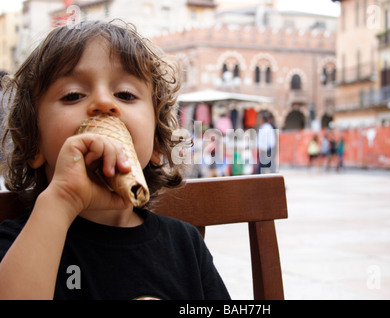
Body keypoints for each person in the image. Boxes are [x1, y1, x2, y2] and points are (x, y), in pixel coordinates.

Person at [0, 20, 230, 300]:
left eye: (125, 94)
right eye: (73, 95)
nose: (103, 102)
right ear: (33, 143)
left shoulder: (184, 245)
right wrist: (61, 201)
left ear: (157, 142)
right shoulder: (17, 246)